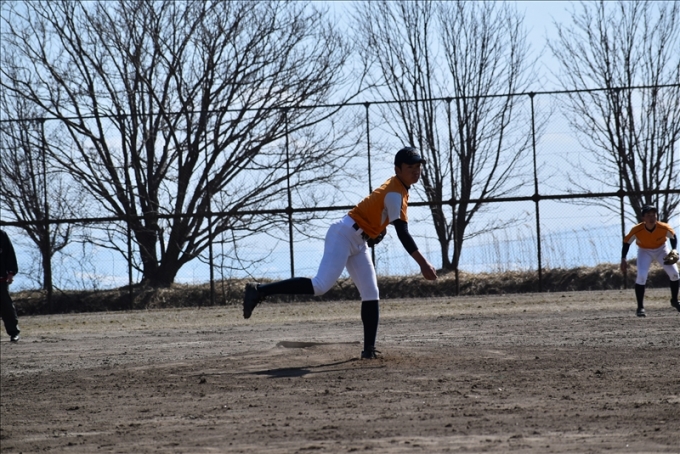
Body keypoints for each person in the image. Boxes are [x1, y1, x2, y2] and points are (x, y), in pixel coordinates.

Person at [243, 147, 438, 358]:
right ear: (398, 170)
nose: (416, 171)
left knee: (371, 293)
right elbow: (402, 232)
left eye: (418, 166)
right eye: (410, 167)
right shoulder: (395, 192)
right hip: (344, 235)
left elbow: (377, 212)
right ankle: (260, 290)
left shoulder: (399, 188)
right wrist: (423, 263)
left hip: (359, 240)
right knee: (320, 286)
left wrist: (376, 229)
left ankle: (369, 350)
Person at [620, 205, 679, 317]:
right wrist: (623, 258)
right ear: (643, 218)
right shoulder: (637, 229)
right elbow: (627, 243)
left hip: (661, 249)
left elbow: (673, 237)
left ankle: (675, 301)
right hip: (644, 250)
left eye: (654, 215)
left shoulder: (663, 227)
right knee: (641, 276)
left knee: (674, 274)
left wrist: (674, 250)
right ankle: (640, 307)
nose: (652, 217)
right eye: (648, 215)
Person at [0, 229, 20, 342]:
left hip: (1, 278)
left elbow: (9, 254)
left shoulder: (2, 235)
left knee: (6, 306)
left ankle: (13, 332)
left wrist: (11, 273)